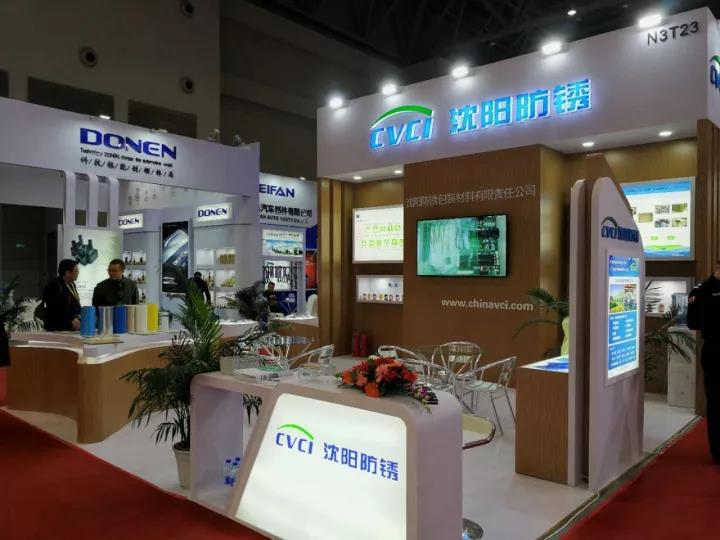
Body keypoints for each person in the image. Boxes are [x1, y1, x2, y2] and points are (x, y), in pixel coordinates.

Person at [692, 260, 720, 464]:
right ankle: (717, 450)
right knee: (716, 401)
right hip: (715, 351)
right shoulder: (703, 290)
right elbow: (693, 321)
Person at [42, 259, 81, 331]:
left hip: (70, 326)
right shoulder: (54, 286)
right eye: (76, 271)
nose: (78, 273)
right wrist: (72, 319)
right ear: (67, 273)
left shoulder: (72, 284)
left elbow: (74, 303)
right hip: (57, 328)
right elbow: (55, 309)